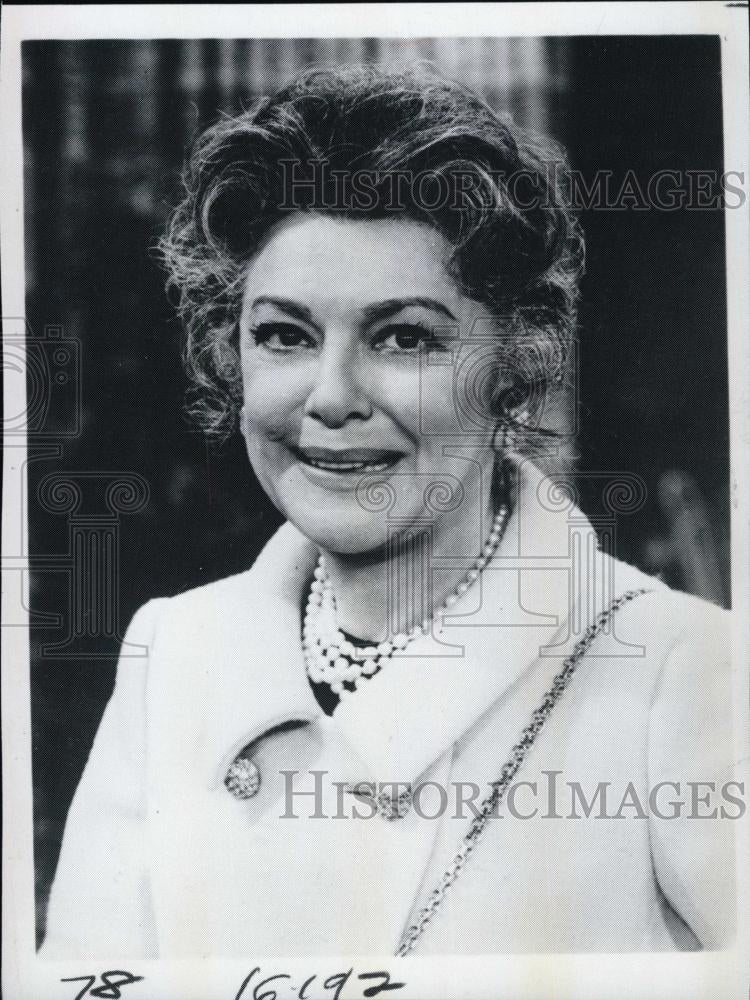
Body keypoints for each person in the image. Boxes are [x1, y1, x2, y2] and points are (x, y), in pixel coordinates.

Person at [41, 64, 734, 958]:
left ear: (514, 364)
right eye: (283, 335)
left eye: (404, 337)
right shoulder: (174, 654)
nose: (330, 397)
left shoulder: (679, 673)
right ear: (231, 354)